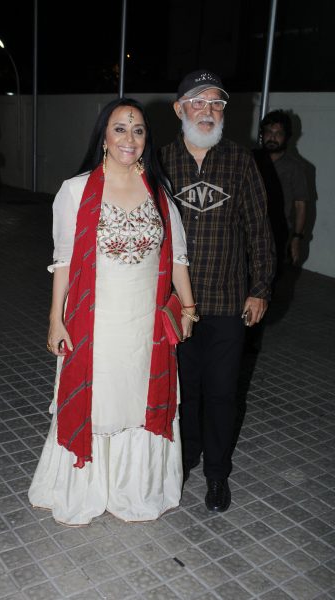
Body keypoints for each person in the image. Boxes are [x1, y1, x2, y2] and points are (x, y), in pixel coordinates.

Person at [28, 97, 196, 526]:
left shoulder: (158, 191)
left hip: (145, 325)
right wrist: (55, 318)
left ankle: (134, 490)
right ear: (103, 136)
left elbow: (177, 256)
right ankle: (86, 487)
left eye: (138, 130)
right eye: (120, 128)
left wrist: (188, 307)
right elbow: (64, 261)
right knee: (100, 400)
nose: (129, 138)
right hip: (96, 323)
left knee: (140, 400)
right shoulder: (75, 190)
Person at [159, 69, 275, 512]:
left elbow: (259, 230)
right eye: (198, 102)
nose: (207, 111)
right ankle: (184, 460)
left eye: (216, 104)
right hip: (175, 305)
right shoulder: (161, 160)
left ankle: (217, 474)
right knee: (183, 391)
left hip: (228, 302)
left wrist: (260, 288)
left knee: (223, 393)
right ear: (179, 109)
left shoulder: (241, 161)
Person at [255, 110, 309, 266]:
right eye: (269, 132)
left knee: (271, 274)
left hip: (276, 232)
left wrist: (297, 238)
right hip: (247, 229)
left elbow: (300, 205)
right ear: (262, 134)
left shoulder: (295, 168)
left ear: (287, 137)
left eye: (278, 133)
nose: (272, 137)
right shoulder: (250, 159)